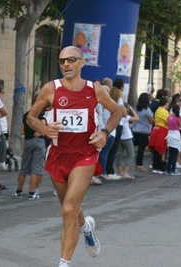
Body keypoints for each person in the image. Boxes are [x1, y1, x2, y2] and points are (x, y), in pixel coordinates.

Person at [27, 46, 121, 267]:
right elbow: (30, 116)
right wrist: (43, 127)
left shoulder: (95, 90)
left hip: (85, 154)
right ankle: (86, 228)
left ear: (81, 62)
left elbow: (117, 112)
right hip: (59, 156)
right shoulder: (51, 89)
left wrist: (105, 132)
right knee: (71, 208)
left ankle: (64, 263)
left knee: (69, 208)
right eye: (62, 61)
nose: (66, 64)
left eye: (71, 60)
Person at [12, 95, 46, 199]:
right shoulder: (42, 115)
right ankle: (31, 192)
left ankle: (19, 190)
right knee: (36, 168)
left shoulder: (26, 115)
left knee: (24, 167)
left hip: (27, 141)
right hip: (39, 142)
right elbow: (44, 127)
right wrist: (41, 131)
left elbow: (22, 131)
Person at [115, 103, 139, 179]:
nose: (128, 110)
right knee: (131, 155)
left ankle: (119, 172)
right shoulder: (125, 117)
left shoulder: (117, 116)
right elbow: (137, 118)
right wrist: (132, 109)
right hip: (127, 138)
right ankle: (125, 172)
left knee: (119, 155)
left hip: (119, 138)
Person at [132, 93, 154, 172]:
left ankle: (138, 164)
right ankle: (139, 165)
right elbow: (151, 120)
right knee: (141, 148)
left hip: (136, 129)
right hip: (144, 131)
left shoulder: (136, 108)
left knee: (139, 148)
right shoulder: (147, 110)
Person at [148, 97, 169, 174]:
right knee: (162, 148)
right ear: (166, 103)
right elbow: (168, 122)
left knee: (156, 149)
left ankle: (155, 166)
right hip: (162, 130)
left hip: (155, 129)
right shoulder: (165, 112)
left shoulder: (157, 110)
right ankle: (161, 167)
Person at [165, 104, 181, 175]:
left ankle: (168, 169)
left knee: (171, 154)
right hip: (176, 135)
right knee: (175, 154)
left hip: (169, 134)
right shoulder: (178, 118)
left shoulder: (168, 117)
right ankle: (173, 169)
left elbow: (167, 124)